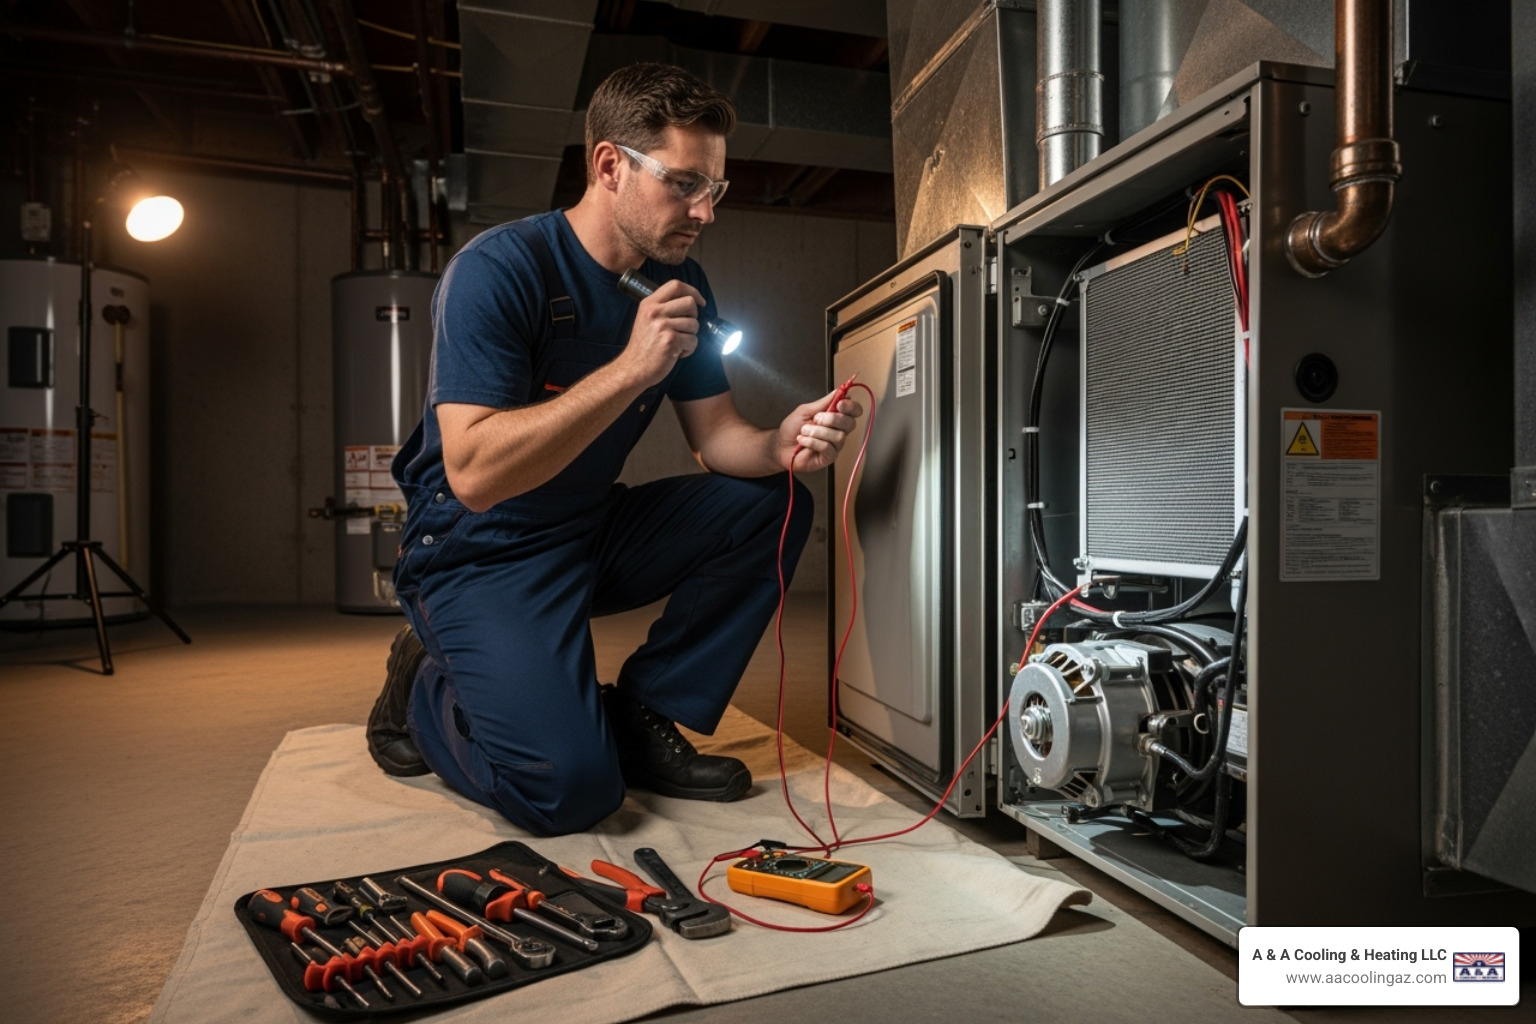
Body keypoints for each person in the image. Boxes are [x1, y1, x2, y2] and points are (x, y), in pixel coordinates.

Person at [365, 63, 863, 837]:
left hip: (588, 530)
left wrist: (778, 442)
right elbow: (470, 472)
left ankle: (642, 713)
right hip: (479, 548)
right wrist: (631, 367)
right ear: (609, 166)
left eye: (717, 189)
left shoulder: (679, 279)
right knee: (569, 794)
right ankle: (426, 681)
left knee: (775, 497)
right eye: (686, 183)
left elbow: (716, 440)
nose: (705, 210)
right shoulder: (499, 270)